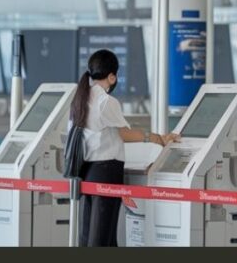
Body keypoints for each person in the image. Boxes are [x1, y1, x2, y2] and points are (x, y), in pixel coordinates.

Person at [71, 49, 179, 247]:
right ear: (112, 76)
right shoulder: (106, 101)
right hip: (106, 171)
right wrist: (155, 138)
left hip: (87, 171)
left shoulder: (81, 98)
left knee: (91, 234)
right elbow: (124, 133)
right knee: (103, 235)